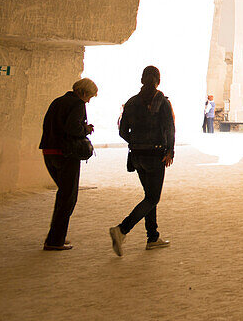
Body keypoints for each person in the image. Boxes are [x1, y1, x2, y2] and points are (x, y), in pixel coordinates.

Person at [110, 65, 175, 256]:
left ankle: (153, 237)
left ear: (141, 80)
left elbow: (122, 131)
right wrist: (170, 151)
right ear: (158, 81)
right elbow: (170, 128)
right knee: (153, 197)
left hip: (137, 156)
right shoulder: (162, 102)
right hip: (156, 155)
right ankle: (122, 230)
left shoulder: (131, 102)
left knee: (149, 196)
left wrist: (136, 142)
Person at [39, 78, 97, 251]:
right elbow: (73, 129)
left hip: (49, 152)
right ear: (83, 92)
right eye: (90, 97)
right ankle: (55, 240)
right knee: (68, 197)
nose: (88, 101)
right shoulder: (78, 104)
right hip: (66, 154)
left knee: (63, 195)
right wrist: (86, 129)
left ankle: (55, 236)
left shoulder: (57, 102)